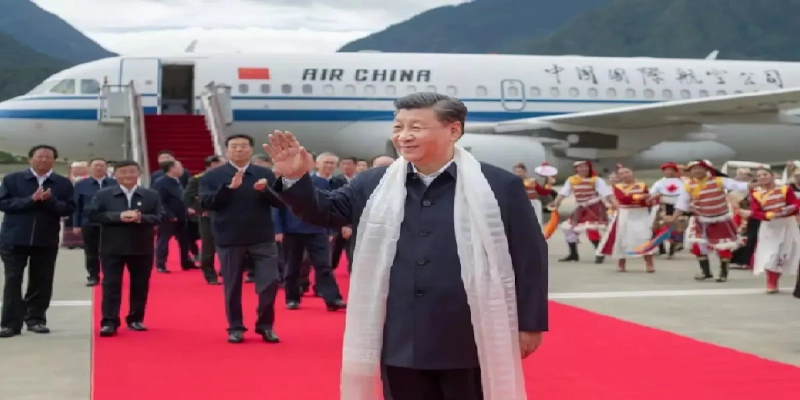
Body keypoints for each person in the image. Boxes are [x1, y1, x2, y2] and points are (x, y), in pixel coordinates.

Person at [266, 92, 547, 400]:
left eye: (416, 126)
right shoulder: (374, 183)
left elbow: (528, 256)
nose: (404, 136)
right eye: (398, 127)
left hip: (469, 332)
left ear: (453, 130)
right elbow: (324, 212)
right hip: (398, 332)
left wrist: (530, 324)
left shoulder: (498, 185)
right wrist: (296, 180)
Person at [200, 134, 284, 344]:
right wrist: (229, 189)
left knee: (269, 283)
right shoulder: (213, 175)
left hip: (262, 236)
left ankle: (265, 325)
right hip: (229, 237)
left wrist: (265, 191)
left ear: (250, 149)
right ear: (227, 150)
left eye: (243, 146)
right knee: (232, 285)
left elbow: (281, 202)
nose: (239, 150)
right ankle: (235, 327)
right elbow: (207, 203)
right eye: (234, 147)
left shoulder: (264, 174)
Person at [0, 145, 75, 338]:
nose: (43, 160)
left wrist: (49, 201)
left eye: (48, 158)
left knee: (41, 280)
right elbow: (4, 203)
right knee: (13, 280)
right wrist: (31, 200)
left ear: (54, 160)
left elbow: (68, 208)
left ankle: (36, 319)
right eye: (39, 157)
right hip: (14, 238)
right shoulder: (12, 179)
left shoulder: (62, 183)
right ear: (30, 159)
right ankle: (10, 323)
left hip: (45, 238)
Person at [89, 160, 164, 336]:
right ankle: (109, 321)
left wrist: (141, 219)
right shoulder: (103, 195)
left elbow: (161, 216)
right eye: (123, 172)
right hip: (112, 247)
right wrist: (119, 216)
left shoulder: (151, 195)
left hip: (141, 247)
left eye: (132, 172)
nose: (128, 176)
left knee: (140, 285)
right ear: (115, 175)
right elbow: (94, 215)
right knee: (111, 285)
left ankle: (136, 319)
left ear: (139, 174)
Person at [275, 152, 347, 311]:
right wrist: (278, 228)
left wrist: (331, 229)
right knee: (292, 265)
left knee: (323, 265)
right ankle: (292, 298)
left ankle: (332, 298)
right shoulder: (286, 179)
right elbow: (276, 204)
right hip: (292, 229)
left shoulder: (332, 182)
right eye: (325, 163)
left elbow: (330, 207)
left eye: (331, 163)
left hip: (317, 228)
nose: (328, 166)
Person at [671, 160, 758, 282]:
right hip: (701, 220)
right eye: (694, 169)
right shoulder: (688, 186)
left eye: (700, 168)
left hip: (720, 219)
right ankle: (706, 272)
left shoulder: (719, 181)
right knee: (698, 246)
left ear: (706, 170)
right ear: (690, 172)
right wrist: (673, 219)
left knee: (724, 247)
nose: (697, 171)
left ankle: (723, 274)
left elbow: (739, 186)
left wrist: (760, 183)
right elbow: (681, 205)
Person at [738, 168, 800, 293]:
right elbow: (756, 212)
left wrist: (786, 211)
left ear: (772, 176)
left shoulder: (784, 189)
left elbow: (795, 203)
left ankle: (776, 280)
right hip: (769, 227)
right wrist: (768, 215)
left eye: (765, 174)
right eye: (759, 175)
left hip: (787, 224)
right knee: (771, 254)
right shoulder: (755, 193)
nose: (762, 177)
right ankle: (771, 282)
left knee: (784, 253)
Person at [549, 160, 617, 263]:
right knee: (568, 228)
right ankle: (573, 254)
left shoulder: (596, 180)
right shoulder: (571, 180)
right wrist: (556, 202)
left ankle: (599, 253)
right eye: (579, 167)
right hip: (580, 207)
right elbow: (563, 193)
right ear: (576, 169)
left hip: (594, 206)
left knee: (591, 229)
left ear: (589, 168)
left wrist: (612, 204)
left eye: (585, 167)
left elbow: (606, 193)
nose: (582, 169)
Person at [597, 165, 656, 272]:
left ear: (632, 172)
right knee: (622, 238)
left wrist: (648, 199)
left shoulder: (642, 185)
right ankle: (621, 262)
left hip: (641, 213)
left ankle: (649, 263)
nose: (625, 175)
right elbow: (622, 199)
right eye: (622, 173)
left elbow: (648, 199)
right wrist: (638, 197)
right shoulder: (617, 187)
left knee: (644, 237)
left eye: (627, 172)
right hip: (625, 213)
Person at [73, 158, 116, 286]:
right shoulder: (81, 184)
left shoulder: (114, 183)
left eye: (101, 165)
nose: (98, 168)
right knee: (91, 251)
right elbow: (77, 206)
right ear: (90, 168)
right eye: (95, 165)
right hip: (89, 222)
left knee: (111, 251)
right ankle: (93, 276)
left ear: (106, 167)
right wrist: (76, 224)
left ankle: (110, 275)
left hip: (110, 223)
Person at [185, 155, 225, 285]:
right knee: (208, 246)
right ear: (211, 165)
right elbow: (188, 198)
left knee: (228, 246)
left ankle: (226, 271)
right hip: (207, 216)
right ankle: (209, 274)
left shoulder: (228, 177)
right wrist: (201, 210)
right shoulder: (197, 179)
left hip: (226, 216)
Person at [153, 160, 195, 273]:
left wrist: (186, 210)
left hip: (181, 215)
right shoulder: (161, 182)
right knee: (164, 240)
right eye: (179, 167)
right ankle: (160, 264)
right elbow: (160, 201)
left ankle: (186, 262)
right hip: (168, 217)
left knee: (185, 240)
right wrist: (169, 214)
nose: (182, 169)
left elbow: (179, 198)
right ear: (171, 168)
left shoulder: (177, 181)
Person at [649, 162, 687, 257]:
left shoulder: (682, 182)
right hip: (663, 206)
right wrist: (655, 196)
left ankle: (672, 249)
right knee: (659, 227)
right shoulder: (659, 183)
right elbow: (652, 193)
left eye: (671, 170)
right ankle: (661, 248)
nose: (669, 172)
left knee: (675, 227)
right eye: (666, 170)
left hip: (677, 207)